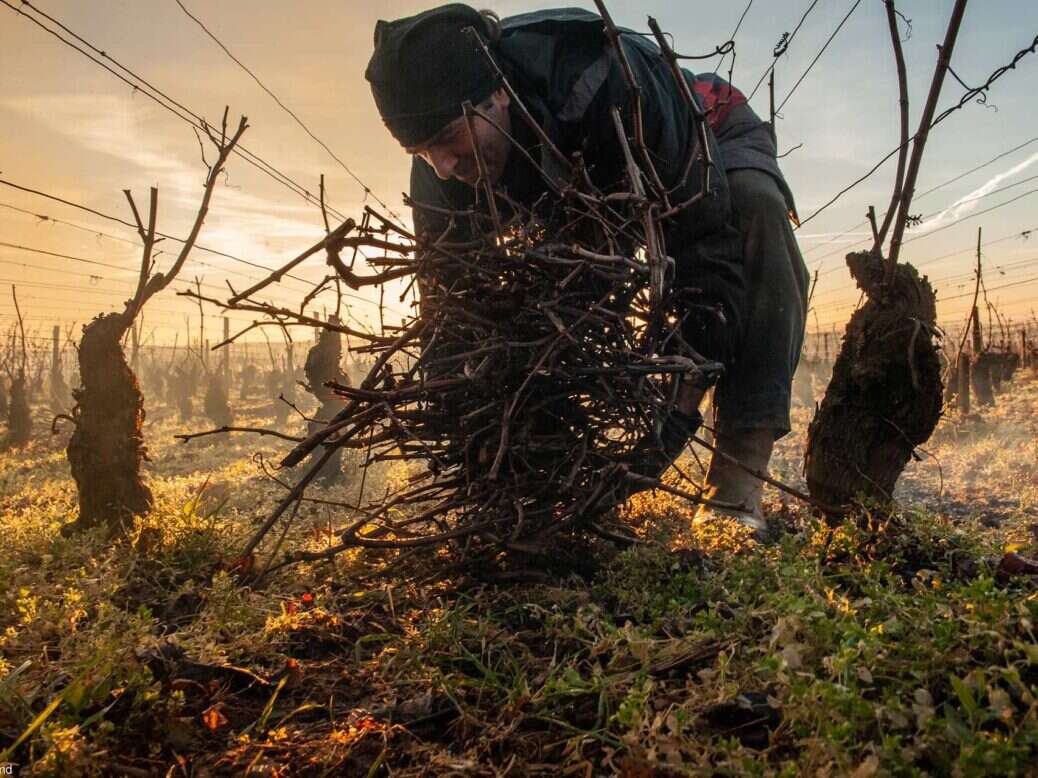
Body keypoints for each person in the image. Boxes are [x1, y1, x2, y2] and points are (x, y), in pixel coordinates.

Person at [364, 4, 809, 539]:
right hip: (583, 184)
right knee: (557, 289)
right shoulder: (444, 163)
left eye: (447, 139)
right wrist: (474, 432)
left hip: (702, 134)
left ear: (496, 92)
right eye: (420, 151)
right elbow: (450, 303)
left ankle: (736, 492)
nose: (443, 165)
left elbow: (702, 245)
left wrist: (680, 404)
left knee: (753, 212)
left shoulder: (604, 78)